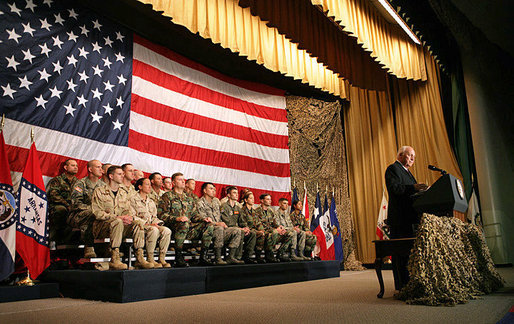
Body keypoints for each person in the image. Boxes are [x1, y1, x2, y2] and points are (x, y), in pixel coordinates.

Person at [91, 166, 153, 270]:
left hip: (121, 226)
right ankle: (114, 258)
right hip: (103, 227)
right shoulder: (99, 191)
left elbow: (128, 211)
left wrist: (128, 218)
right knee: (118, 221)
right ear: (111, 176)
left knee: (138, 223)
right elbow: (97, 212)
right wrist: (117, 217)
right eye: (119, 174)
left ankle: (139, 258)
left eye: (123, 174)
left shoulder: (124, 193)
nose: (122, 176)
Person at [385, 145, 428, 289]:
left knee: (410, 254)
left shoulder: (408, 173)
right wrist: (414, 188)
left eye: (413, 157)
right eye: (410, 155)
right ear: (400, 156)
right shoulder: (393, 169)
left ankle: (411, 283)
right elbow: (395, 189)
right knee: (401, 255)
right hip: (399, 219)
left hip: (411, 218)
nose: (412, 159)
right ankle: (401, 286)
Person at [157, 172, 214, 267]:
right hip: (174, 229)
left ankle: (203, 257)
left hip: (189, 230)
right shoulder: (167, 196)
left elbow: (194, 216)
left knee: (209, 226)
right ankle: (178, 256)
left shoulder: (189, 199)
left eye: (183, 180)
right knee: (184, 224)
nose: (183, 181)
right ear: (173, 183)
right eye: (180, 180)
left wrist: (204, 219)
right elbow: (161, 215)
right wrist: (177, 218)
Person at [196, 182, 243, 265]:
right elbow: (204, 220)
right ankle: (218, 258)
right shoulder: (200, 202)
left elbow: (221, 216)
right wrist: (217, 224)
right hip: (207, 230)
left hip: (220, 229)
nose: (213, 191)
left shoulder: (216, 202)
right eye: (211, 189)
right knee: (219, 229)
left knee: (236, 230)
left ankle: (230, 257)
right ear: (204, 191)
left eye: (214, 189)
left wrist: (222, 223)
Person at [130, 178, 172, 268]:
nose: (150, 187)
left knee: (166, 230)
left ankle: (162, 258)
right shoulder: (132, 199)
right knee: (153, 230)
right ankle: (150, 258)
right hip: (140, 226)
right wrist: (147, 224)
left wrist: (158, 223)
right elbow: (132, 216)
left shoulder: (151, 201)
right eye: (147, 184)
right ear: (140, 187)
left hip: (151, 225)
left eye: (150, 185)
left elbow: (154, 217)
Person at [69, 159, 103, 258]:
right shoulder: (80, 184)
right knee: (92, 214)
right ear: (90, 169)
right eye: (98, 167)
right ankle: (89, 246)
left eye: (101, 167)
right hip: (78, 215)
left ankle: (108, 248)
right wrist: (94, 209)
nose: (101, 169)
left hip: (98, 213)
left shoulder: (103, 186)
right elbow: (76, 203)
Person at [220, 186, 257, 264]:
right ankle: (235, 257)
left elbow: (242, 221)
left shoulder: (237, 208)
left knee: (252, 233)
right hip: (227, 230)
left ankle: (247, 256)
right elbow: (227, 222)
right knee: (240, 232)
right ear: (228, 195)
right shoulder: (224, 206)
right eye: (234, 193)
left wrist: (246, 227)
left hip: (237, 229)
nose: (236, 195)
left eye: (237, 193)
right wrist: (241, 229)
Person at [46, 159, 79, 243]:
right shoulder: (57, 180)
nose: (75, 167)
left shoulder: (78, 182)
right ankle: (57, 239)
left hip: (74, 206)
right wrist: (67, 205)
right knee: (61, 210)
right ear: (65, 167)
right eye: (73, 165)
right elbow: (53, 195)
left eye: (76, 166)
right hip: (59, 205)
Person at [255, 194, 293, 262]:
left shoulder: (270, 211)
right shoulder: (257, 211)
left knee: (290, 234)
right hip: (264, 232)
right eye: (268, 199)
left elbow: (274, 223)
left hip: (272, 232)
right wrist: (275, 229)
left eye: (270, 199)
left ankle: (280, 253)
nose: (270, 201)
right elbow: (259, 225)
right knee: (275, 232)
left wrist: (280, 228)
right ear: (262, 200)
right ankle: (269, 254)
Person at [240, 191, 266, 263]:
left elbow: (258, 223)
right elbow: (243, 223)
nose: (253, 200)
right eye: (251, 198)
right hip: (247, 230)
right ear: (246, 200)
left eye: (253, 198)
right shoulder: (242, 210)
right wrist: (258, 231)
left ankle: (258, 255)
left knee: (262, 234)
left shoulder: (253, 211)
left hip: (254, 230)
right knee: (254, 234)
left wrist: (262, 230)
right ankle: (247, 255)